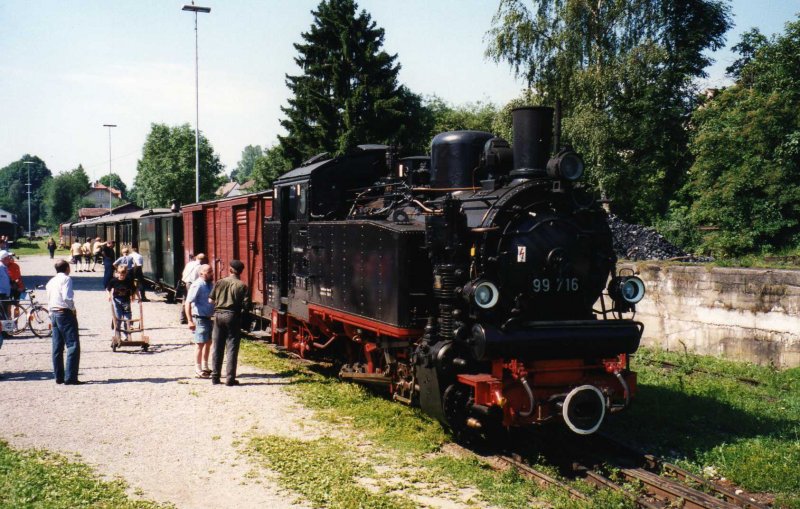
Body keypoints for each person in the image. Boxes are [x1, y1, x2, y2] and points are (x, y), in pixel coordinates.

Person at [209, 260, 249, 386]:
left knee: (217, 346)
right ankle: (230, 379)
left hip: (218, 315)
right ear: (241, 272)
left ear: (230, 270)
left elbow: (210, 300)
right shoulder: (242, 285)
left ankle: (215, 377)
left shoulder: (220, 282)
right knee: (231, 347)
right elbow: (247, 306)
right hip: (232, 316)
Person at [47, 260, 82, 385]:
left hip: (54, 313)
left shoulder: (51, 281)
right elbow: (67, 297)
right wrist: (73, 309)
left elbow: (49, 299)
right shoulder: (66, 279)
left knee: (57, 347)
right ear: (67, 268)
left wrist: (51, 315)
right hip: (64, 313)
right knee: (73, 345)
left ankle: (59, 376)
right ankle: (70, 377)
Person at [185, 264, 214, 378]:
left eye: (211, 271)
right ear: (201, 273)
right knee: (199, 344)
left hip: (208, 318)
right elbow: (188, 302)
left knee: (208, 342)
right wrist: (189, 320)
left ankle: (205, 366)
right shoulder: (197, 285)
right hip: (200, 318)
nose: (212, 273)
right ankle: (198, 369)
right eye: (209, 272)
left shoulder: (210, 284)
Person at [107, 265, 137, 340]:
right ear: (117, 273)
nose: (121, 275)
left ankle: (127, 336)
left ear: (126, 273)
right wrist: (109, 295)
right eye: (120, 273)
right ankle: (118, 335)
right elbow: (108, 289)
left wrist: (134, 296)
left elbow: (134, 289)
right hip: (117, 301)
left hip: (126, 301)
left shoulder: (128, 280)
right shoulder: (114, 280)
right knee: (118, 318)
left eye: (123, 274)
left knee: (127, 319)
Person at [177, 253, 206, 324]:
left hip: (184, 282)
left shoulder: (189, 264)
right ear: (203, 260)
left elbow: (183, 273)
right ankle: (192, 318)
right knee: (192, 301)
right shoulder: (200, 267)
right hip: (191, 284)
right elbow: (199, 278)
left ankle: (183, 318)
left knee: (185, 300)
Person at [0, 251, 12, 338]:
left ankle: (7, 333)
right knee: (3, 314)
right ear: (4, 259)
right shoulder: (0, 267)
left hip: (6, 293)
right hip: (1, 293)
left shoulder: (4, 267)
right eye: (8, 257)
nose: (10, 259)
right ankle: (5, 334)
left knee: (6, 313)